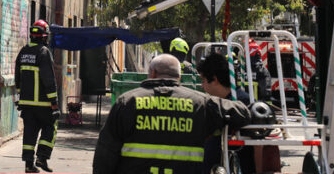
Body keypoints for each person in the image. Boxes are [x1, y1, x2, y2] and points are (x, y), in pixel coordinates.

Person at [92, 54, 251, 174]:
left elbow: (105, 154)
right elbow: (243, 112)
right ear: (179, 77)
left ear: (153, 73)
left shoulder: (126, 102)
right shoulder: (201, 103)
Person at [197, 52, 255, 174]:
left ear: (214, 79)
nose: (202, 86)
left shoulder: (240, 104)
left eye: (203, 80)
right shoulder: (234, 100)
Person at [15, 19, 59, 173]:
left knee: (29, 133)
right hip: (43, 104)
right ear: (44, 36)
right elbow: (49, 80)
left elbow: (17, 78)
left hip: (27, 104)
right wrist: (54, 103)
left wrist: (20, 98)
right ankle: (42, 157)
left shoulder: (23, 51)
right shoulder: (43, 52)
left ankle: (28, 165)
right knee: (51, 126)